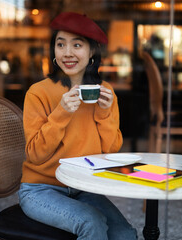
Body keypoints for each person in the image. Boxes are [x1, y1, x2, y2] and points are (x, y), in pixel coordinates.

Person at [18, 12, 137, 240]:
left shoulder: (105, 93)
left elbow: (111, 152)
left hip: (84, 187)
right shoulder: (38, 92)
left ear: (92, 51)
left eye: (77, 45)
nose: (67, 53)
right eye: (60, 44)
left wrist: (104, 113)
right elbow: (34, 154)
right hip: (40, 189)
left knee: (125, 234)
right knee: (90, 223)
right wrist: (62, 112)